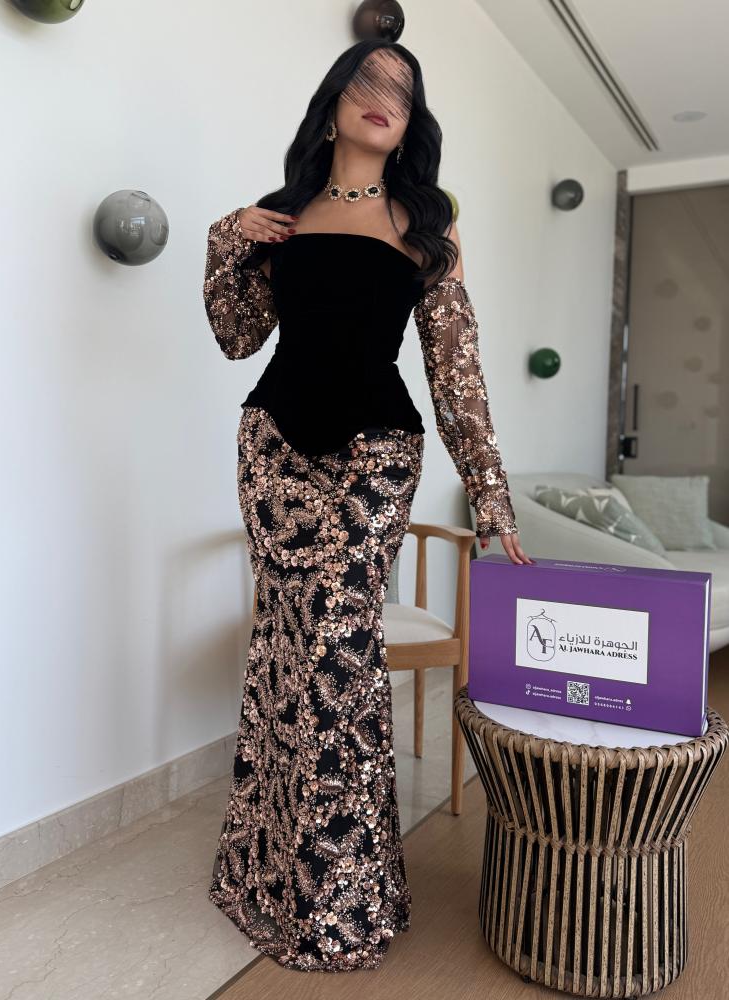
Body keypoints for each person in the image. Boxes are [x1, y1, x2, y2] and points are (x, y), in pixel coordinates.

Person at [203, 38, 532, 973]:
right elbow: (236, 336)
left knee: (338, 660)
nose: (385, 97)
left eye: (403, 90)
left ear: (412, 119)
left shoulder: (427, 223)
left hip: (375, 455)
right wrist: (226, 237)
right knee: (283, 652)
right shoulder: (279, 213)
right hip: (273, 449)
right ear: (335, 102)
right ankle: (261, 874)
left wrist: (489, 491)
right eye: (369, 80)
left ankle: (341, 899)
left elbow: (454, 369)